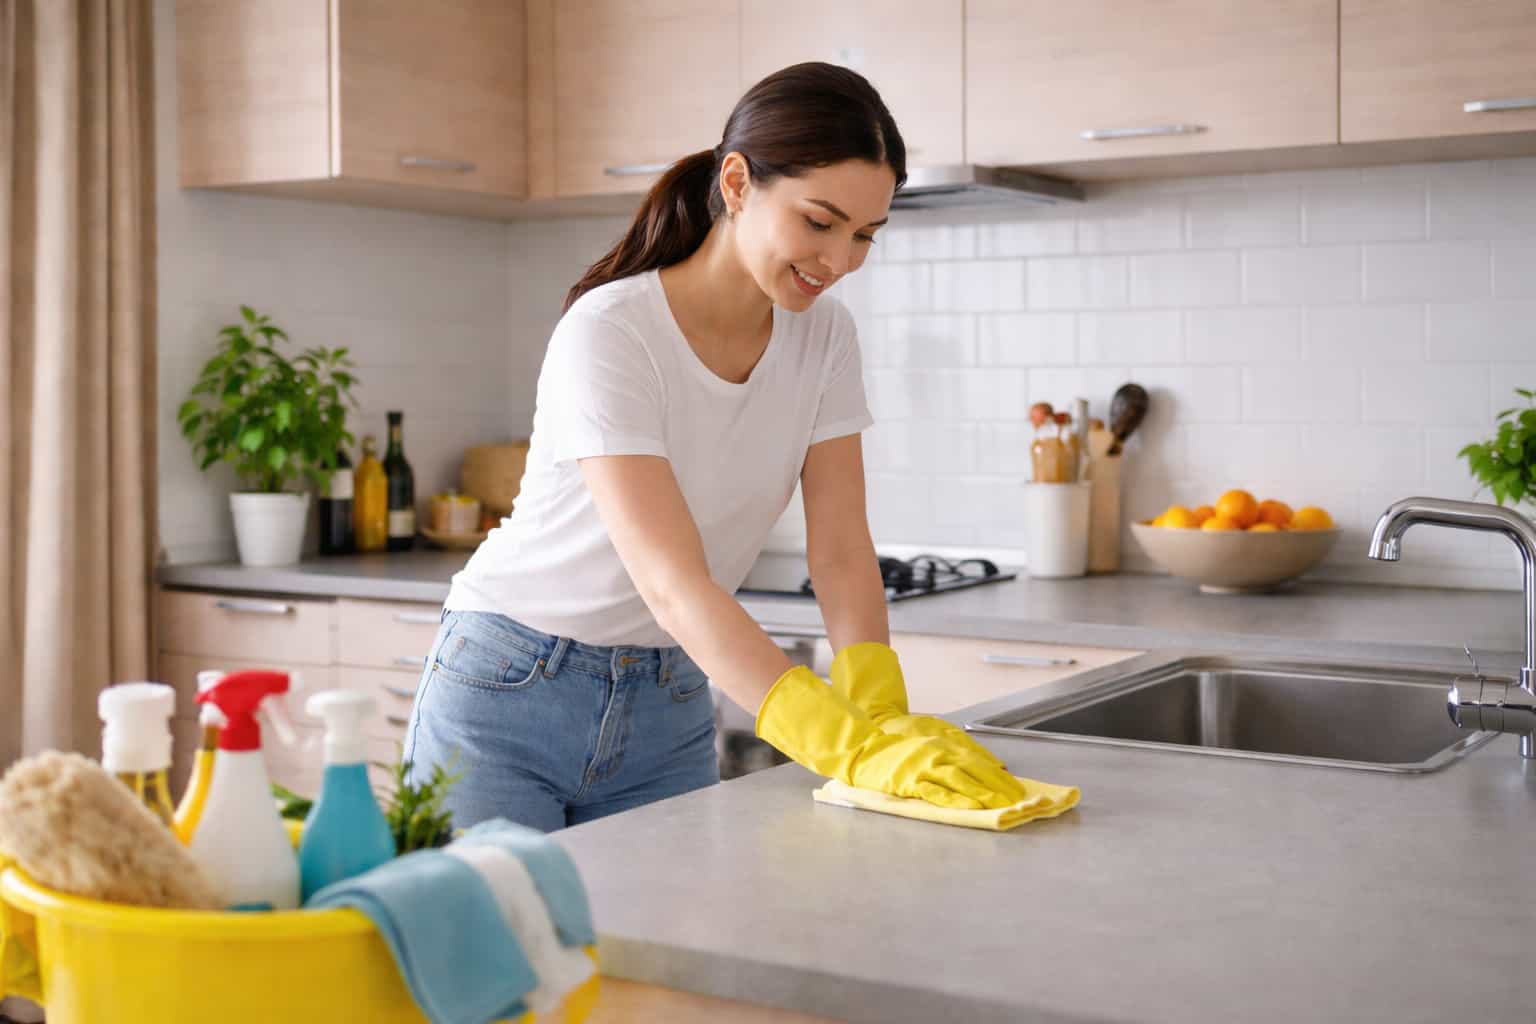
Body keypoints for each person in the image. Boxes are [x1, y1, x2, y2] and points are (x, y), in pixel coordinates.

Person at [403, 62, 1025, 833]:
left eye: (866, 234)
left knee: (659, 955)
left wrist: (879, 710)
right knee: (491, 949)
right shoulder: (612, 330)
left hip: (670, 694)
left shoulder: (825, 336)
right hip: (510, 686)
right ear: (737, 184)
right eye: (820, 222)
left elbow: (838, 547)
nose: (840, 261)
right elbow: (673, 584)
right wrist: (840, 747)